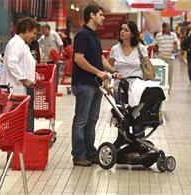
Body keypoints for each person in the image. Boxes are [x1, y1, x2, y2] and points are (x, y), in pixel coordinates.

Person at [71, 5, 118, 166]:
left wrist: (113, 71)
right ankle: (78, 154)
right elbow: (79, 59)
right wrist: (98, 72)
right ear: (91, 15)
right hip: (84, 83)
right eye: (100, 14)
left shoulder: (94, 35)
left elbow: (100, 58)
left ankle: (90, 152)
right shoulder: (82, 35)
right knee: (81, 120)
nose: (103, 17)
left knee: (92, 120)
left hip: (94, 84)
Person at [108, 21, 155, 148]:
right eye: (121, 29)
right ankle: (121, 141)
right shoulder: (115, 49)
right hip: (119, 89)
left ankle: (139, 143)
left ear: (132, 34)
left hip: (137, 90)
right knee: (122, 118)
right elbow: (108, 67)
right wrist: (107, 84)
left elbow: (148, 67)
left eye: (126, 30)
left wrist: (151, 81)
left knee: (137, 118)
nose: (122, 32)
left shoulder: (141, 48)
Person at [0, 17, 39, 132]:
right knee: (15, 129)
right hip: (16, 92)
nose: (34, 37)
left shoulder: (22, 44)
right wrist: (24, 79)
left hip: (22, 91)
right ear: (26, 29)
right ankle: (17, 149)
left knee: (21, 127)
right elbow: (12, 63)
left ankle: (22, 148)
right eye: (33, 33)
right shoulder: (16, 44)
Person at [155, 22, 178, 94]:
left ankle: (168, 89)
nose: (169, 28)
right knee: (160, 73)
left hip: (169, 57)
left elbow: (175, 44)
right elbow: (156, 45)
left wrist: (174, 49)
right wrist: (157, 52)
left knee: (169, 74)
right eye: (168, 27)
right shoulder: (158, 35)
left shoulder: (173, 35)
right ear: (164, 28)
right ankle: (160, 89)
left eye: (169, 27)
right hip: (161, 57)